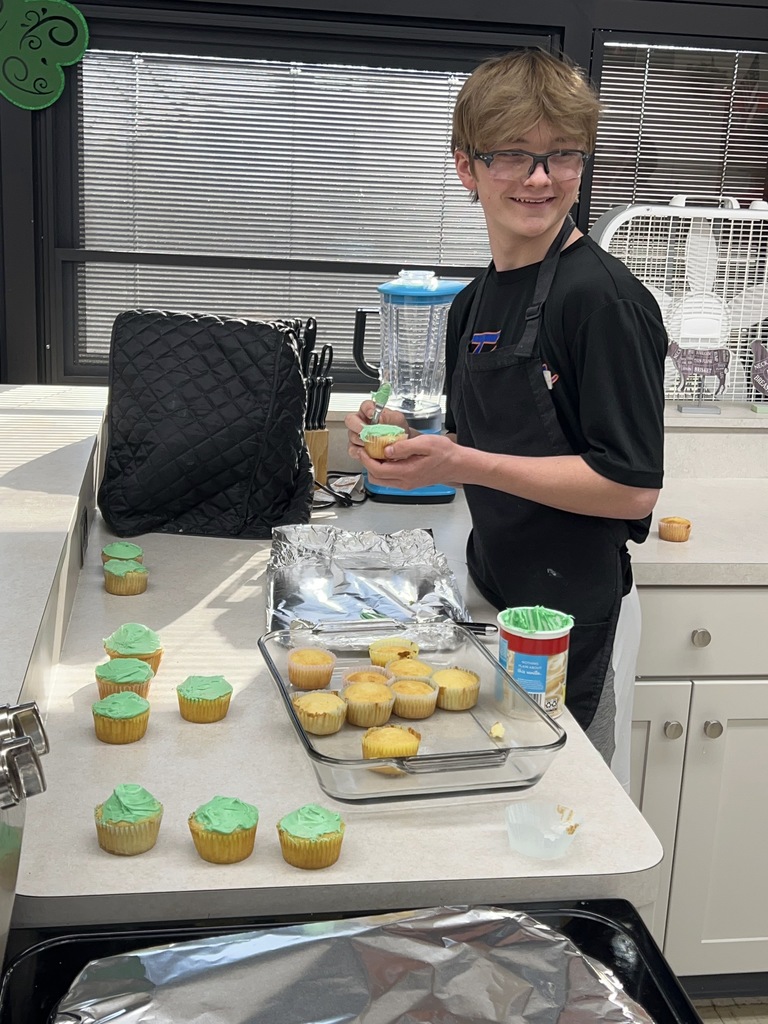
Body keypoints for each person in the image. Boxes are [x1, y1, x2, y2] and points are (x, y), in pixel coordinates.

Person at [345, 48, 667, 790]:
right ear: (468, 168)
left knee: (552, 809)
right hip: (495, 587)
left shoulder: (603, 301)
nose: (540, 179)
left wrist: (458, 463)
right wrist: (396, 429)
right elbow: (483, 433)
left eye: (562, 157)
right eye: (515, 156)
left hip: (569, 622)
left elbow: (630, 487)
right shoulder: (475, 302)